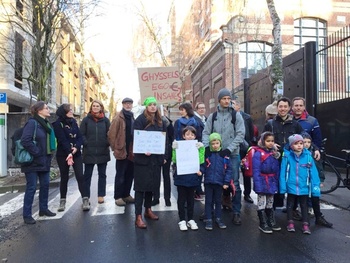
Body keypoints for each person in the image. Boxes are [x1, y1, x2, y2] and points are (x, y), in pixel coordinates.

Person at [202, 88, 245, 225]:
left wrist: (229, 149)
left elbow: (240, 134)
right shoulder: (212, 116)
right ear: (219, 100)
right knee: (214, 181)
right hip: (215, 155)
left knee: (234, 183)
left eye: (228, 98)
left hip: (231, 154)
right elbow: (205, 133)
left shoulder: (235, 115)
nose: (227, 101)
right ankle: (211, 210)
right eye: (224, 99)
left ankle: (237, 212)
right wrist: (207, 147)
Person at [133, 97, 167, 229]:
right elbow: (135, 137)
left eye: (155, 105)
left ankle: (148, 210)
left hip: (155, 160)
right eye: (150, 105)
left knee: (151, 186)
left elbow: (164, 139)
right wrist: (142, 151)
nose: (153, 107)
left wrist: (163, 155)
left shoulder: (160, 121)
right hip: (142, 160)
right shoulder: (140, 120)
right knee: (140, 188)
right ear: (146, 107)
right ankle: (138, 216)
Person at [263, 97, 303, 209]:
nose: (283, 109)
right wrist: (271, 145)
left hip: (291, 159)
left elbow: (303, 139)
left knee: (292, 183)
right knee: (275, 181)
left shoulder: (295, 125)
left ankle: (293, 208)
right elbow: (262, 140)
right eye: (280, 106)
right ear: (277, 108)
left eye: (285, 106)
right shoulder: (270, 124)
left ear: (289, 108)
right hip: (275, 159)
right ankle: (274, 207)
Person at [21, 101, 57, 224]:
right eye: (46, 108)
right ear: (39, 111)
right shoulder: (32, 123)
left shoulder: (46, 124)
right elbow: (25, 140)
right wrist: (37, 152)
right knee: (31, 187)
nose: (48, 110)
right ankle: (27, 215)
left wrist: (46, 155)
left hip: (44, 161)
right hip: (32, 161)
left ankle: (43, 209)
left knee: (45, 185)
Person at [280, 134, 321, 234]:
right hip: (291, 185)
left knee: (304, 205)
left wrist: (315, 187)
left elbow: (313, 172)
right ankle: (290, 223)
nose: (299, 145)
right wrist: (282, 186)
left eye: (301, 143)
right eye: (296, 143)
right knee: (290, 204)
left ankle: (305, 224)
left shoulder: (308, 157)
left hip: (304, 186)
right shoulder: (287, 156)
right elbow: (283, 171)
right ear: (291, 146)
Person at [53, 103, 86, 212]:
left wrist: (76, 148)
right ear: (64, 112)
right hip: (63, 155)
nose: (72, 111)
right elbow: (62, 139)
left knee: (80, 176)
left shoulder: (74, 122)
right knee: (64, 177)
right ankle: (62, 200)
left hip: (76, 154)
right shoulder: (58, 124)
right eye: (69, 110)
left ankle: (85, 199)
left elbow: (80, 137)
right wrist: (69, 152)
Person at [172, 126, 205, 231]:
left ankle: (190, 219)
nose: (190, 137)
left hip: (192, 177)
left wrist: (201, 149)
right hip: (181, 177)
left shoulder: (197, 146)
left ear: (195, 136)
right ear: (183, 136)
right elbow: (175, 160)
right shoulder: (179, 146)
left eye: (192, 135)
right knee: (181, 199)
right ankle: (182, 220)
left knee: (191, 199)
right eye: (187, 134)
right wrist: (174, 149)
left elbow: (200, 161)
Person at [80, 100, 110, 208]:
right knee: (87, 176)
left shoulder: (106, 121)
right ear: (91, 107)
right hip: (89, 152)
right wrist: (86, 143)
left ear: (101, 107)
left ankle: (101, 195)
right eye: (94, 106)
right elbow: (81, 134)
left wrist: (107, 143)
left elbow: (109, 134)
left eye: (98, 106)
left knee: (102, 175)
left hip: (103, 152)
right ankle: (86, 197)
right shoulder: (86, 120)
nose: (96, 107)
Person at [174, 102, 205, 200]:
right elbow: (176, 135)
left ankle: (196, 190)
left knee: (196, 170)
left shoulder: (196, 121)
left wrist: (199, 144)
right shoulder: (178, 122)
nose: (180, 112)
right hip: (182, 150)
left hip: (194, 148)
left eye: (182, 110)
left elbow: (199, 134)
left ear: (187, 110)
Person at [108, 97, 135, 207]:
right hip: (122, 150)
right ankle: (118, 196)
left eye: (130, 103)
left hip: (131, 151)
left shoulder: (132, 116)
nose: (128, 105)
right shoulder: (118, 118)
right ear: (123, 105)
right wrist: (115, 148)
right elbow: (111, 134)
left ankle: (126, 194)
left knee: (130, 174)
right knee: (120, 174)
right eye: (126, 103)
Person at [302, 132, 333, 228]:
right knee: (303, 198)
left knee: (315, 197)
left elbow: (319, 167)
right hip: (302, 180)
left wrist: (321, 180)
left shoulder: (314, 153)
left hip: (314, 179)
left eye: (308, 142)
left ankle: (318, 216)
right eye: (304, 142)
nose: (306, 144)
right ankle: (304, 217)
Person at [252, 132, 281, 234]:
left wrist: (277, 181)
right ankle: (262, 222)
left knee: (270, 201)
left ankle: (271, 220)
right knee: (261, 201)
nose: (270, 143)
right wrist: (257, 184)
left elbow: (277, 169)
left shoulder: (274, 153)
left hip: (272, 180)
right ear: (263, 141)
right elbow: (256, 170)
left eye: (272, 141)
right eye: (268, 141)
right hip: (262, 179)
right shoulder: (258, 153)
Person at [203, 133, 232, 231]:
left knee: (218, 201)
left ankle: (218, 218)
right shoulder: (207, 154)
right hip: (208, 182)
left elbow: (229, 169)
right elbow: (203, 166)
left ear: (220, 143)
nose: (215, 145)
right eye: (213, 143)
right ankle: (208, 219)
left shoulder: (224, 155)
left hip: (220, 183)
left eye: (217, 143)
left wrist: (226, 182)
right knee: (208, 201)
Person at [232, 99, 255, 203]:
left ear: (238, 106)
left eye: (233, 105)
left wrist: (249, 146)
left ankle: (247, 193)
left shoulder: (247, 117)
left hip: (244, 148)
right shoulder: (228, 116)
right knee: (232, 171)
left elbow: (250, 132)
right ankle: (233, 193)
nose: (231, 107)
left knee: (246, 172)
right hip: (233, 148)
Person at [152, 107, 174, 207]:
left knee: (166, 176)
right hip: (156, 153)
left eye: (164, 110)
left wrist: (166, 155)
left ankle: (167, 198)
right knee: (156, 176)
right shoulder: (153, 122)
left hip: (166, 153)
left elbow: (171, 138)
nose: (162, 113)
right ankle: (156, 197)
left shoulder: (169, 124)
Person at [194, 102, 207, 200]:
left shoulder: (205, 119)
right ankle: (197, 190)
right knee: (199, 168)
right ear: (196, 109)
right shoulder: (195, 120)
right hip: (198, 147)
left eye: (203, 108)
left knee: (204, 168)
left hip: (205, 147)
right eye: (200, 108)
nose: (202, 109)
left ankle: (200, 189)